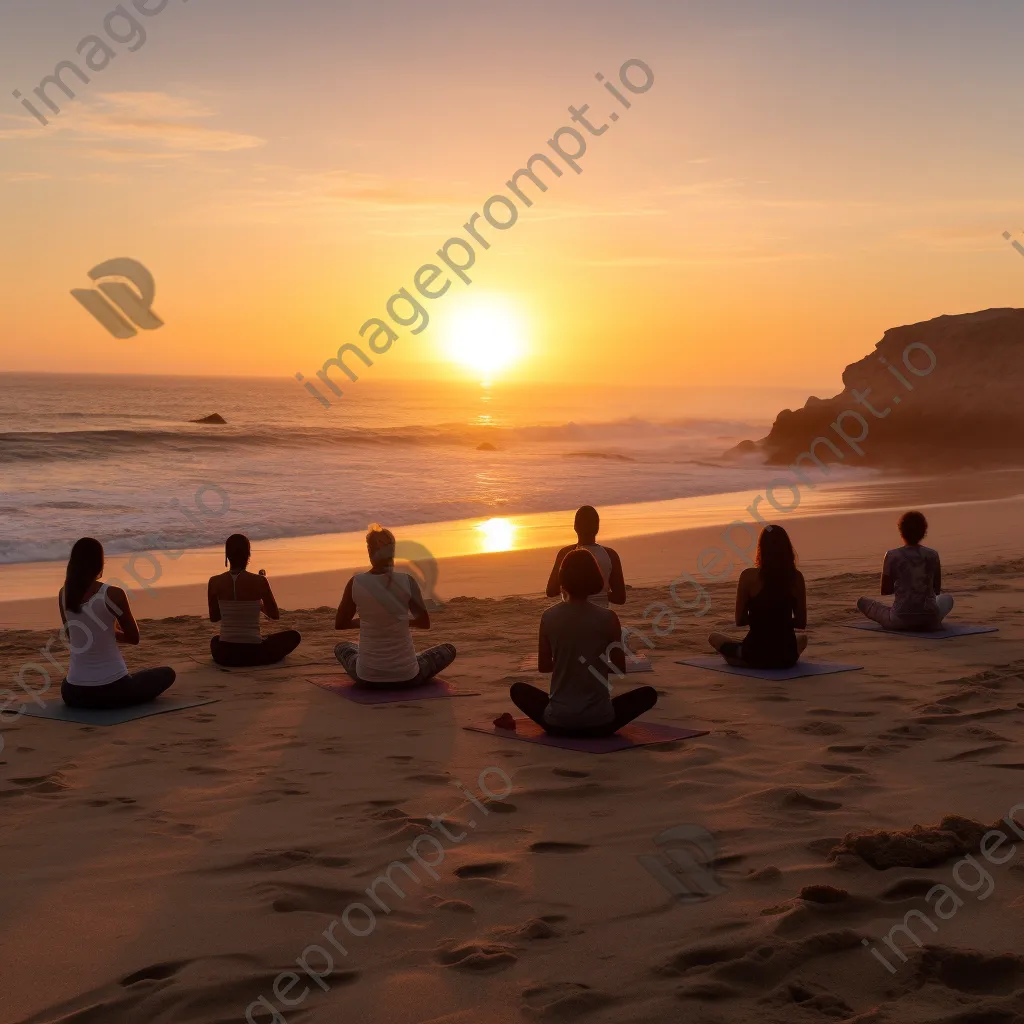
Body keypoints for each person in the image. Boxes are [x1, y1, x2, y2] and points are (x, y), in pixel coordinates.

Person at [511, 548, 657, 736]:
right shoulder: (608, 617)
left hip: (558, 722)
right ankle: (593, 717)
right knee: (647, 695)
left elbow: (544, 666)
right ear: (595, 578)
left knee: (518, 690)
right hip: (600, 723)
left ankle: (565, 718)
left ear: (562, 579)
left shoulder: (548, 616)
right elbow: (620, 667)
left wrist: (569, 665)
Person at [59, 537, 176, 709]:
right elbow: (133, 638)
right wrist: (112, 631)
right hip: (113, 689)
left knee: (70, 680)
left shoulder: (63, 594)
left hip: (73, 693)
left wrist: (101, 629)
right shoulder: (113, 594)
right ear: (100, 563)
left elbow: (73, 637)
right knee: (167, 674)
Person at [334, 524, 456, 688]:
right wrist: (399, 620)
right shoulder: (407, 581)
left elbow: (340, 624)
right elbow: (423, 623)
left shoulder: (356, 583)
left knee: (342, 647)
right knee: (448, 649)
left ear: (370, 552)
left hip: (367, 679)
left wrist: (369, 621)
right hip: (408, 677)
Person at [709, 525, 808, 670]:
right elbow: (801, 622)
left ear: (761, 548)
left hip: (754, 656)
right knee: (803, 639)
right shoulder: (796, 577)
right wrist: (779, 621)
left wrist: (762, 621)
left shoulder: (748, 576)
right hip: (785, 657)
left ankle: (737, 653)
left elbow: (740, 620)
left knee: (714, 637)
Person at [208, 534, 301, 667]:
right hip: (254, 653)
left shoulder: (214, 582)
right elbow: (274, 615)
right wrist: (258, 603)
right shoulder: (260, 581)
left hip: (225, 655)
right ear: (248, 555)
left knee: (215, 640)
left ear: (227, 556)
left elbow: (214, 617)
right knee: (294, 636)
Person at [857, 510, 953, 631]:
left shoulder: (892, 555)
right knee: (947, 598)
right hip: (930, 620)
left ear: (901, 531)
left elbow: (886, 590)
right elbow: (936, 590)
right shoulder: (933, 555)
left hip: (899, 620)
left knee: (862, 602)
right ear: (924, 532)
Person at [545, 505, 626, 608]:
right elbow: (620, 598)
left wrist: (571, 590)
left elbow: (551, 591)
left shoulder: (565, 553)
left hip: (571, 615)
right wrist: (600, 595)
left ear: (575, 527)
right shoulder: (610, 554)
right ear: (597, 528)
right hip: (599, 616)